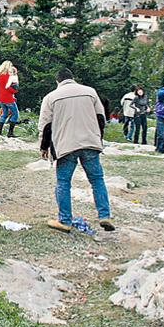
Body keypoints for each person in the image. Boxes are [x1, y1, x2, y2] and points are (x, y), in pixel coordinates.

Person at [39, 67, 114, 232]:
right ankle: (104, 215)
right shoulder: (90, 92)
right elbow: (101, 118)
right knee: (97, 180)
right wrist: (97, 139)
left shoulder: (51, 97)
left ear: (58, 81)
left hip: (66, 146)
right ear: (72, 78)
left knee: (63, 183)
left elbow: (46, 126)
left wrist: (44, 147)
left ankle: (65, 220)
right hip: (90, 143)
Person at [0, 61, 20, 138]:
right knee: (15, 114)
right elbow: (9, 87)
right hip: (8, 98)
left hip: (1, 98)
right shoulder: (8, 76)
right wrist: (15, 91)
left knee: (4, 113)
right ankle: (10, 133)